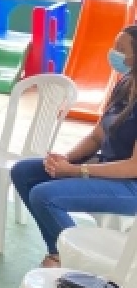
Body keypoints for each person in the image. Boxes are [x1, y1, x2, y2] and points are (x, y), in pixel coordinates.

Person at [12, 25, 137, 268]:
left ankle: (77, 260)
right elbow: (97, 137)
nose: (114, 53)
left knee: (44, 196)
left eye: (121, 49)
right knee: (23, 171)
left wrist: (76, 170)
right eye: (114, 46)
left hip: (130, 186)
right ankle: (60, 251)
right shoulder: (124, 84)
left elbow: (133, 167)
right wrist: (65, 160)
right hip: (106, 169)